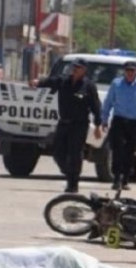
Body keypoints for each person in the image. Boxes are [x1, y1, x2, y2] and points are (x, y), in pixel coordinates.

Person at [32, 58, 102, 193]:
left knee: (75, 154)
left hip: (79, 125)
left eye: (78, 67)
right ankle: (68, 171)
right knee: (58, 152)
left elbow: (96, 107)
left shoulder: (88, 86)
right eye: (74, 67)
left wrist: (98, 126)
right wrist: (37, 83)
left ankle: (73, 183)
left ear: (84, 70)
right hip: (64, 123)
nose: (75, 69)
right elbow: (50, 81)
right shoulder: (63, 81)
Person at [101, 61, 136, 190]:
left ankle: (126, 179)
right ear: (124, 72)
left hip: (134, 123)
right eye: (127, 71)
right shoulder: (116, 84)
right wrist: (104, 119)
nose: (130, 73)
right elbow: (108, 102)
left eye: (132, 71)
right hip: (119, 121)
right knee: (117, 150)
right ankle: (117, 179)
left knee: (129, 152)